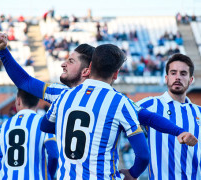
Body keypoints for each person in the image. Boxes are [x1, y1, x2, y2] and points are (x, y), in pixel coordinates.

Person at [0, 33, 197, 144]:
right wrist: (3, 52)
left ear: (86, 71)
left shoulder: (66, 96)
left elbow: (150, 118)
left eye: (70, 61)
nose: (63, 64)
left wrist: (180, 132)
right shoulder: (64, 93)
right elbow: (25, 82)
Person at [41, 44, 149, 179]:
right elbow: (143, 155)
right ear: (116, 74)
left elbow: (44, 126)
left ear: (90, 66)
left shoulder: (64, 96)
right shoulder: (120, 102)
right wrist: (133, 174)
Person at [137, 53, 201, 180]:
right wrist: (133, 172)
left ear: (191, 80)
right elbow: (121, 115)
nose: (177, 77)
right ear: (166, 78)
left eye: (183, 73)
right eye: (173, 73)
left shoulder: (199, 112)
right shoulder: (151, 104)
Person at [0, 88, 58, 180]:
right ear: (38, 102)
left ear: (18, 101)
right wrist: (49, 175)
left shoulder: (1, 128)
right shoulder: (45, 124)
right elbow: (54, 154)